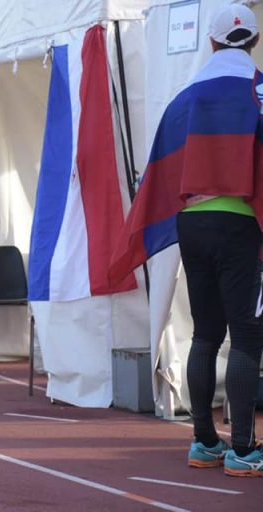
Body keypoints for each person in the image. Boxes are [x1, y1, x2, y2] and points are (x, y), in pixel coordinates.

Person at [111, 4, 263, 476]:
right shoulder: (259, 90)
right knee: (246, 336)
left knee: (206, 333)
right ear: (255, 40)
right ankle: (244, 449)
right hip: (242, 224)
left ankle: (204, 441)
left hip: (193, 225)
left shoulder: (185, 97)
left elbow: (160, 168)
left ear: (211, 42)